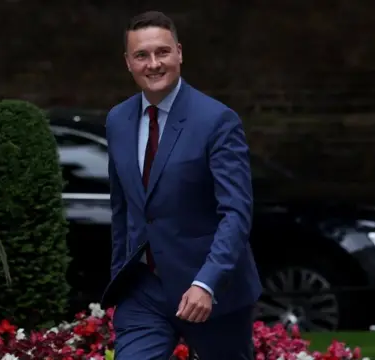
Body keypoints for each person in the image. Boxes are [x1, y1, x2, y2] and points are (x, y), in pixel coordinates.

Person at [101, 10, 262, 360]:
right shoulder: (117, 120)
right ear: (128, 62)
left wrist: (207, 282)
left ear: (179, 53)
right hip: (144, 290)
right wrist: (121, 277)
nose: (153, 64)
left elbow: (235, 213)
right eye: (142, 55)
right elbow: (122, 208)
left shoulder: (217, 121)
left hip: (211, 291)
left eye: (163, 52)